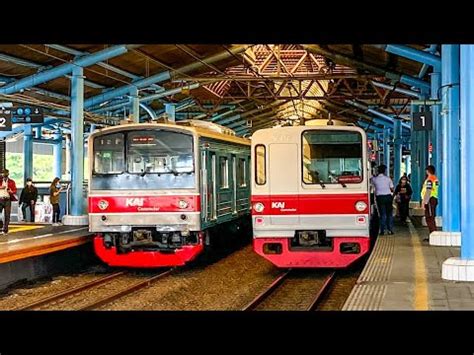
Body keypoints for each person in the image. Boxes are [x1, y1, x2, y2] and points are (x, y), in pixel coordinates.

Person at [371, 164, 394, 235]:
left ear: (378, 171)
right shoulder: (388, 179)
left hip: (380, 198)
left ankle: (382, 231)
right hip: (388, 197)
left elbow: (371, 184)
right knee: (389, 214)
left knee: (382, 214)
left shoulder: (374, 179)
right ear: (384, 171)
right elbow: (392, 189)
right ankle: (390, 230)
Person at [421, 165, 439, 240]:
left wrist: (423, 202)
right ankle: (432, 235)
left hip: (430, 200)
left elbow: (428, 191)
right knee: (430, 218)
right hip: (432, 199)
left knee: (430, 218)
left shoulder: (430, 179)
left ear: (427, 171)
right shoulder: (435, 178)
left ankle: (433, 235)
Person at [0, 169, 17, 236]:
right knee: (0, 215)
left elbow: (15, 190)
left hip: (7, 199)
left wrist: (11, 191)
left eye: (5, 174)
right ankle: (0, 227)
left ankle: (5, 229)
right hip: (0, 199)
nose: (3, 175)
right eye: (2, 174)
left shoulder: (11, 182)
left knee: (7, 215)